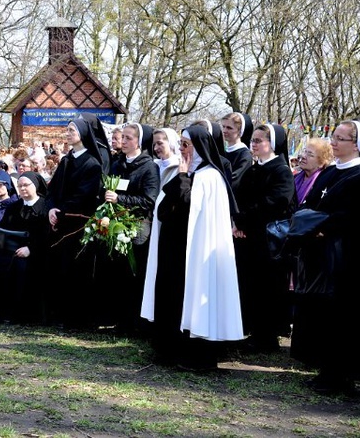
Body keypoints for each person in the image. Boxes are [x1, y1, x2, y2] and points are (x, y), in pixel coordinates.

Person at [292, 120, 360, 393]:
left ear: (356, 145)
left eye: (340, 139)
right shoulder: (331, 171)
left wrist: (323, 227)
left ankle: (340, 375)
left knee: (342, 316)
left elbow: (354, 217)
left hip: (346, 256)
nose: (333, 142)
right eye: (333, 136)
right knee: (322, 314)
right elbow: (311, 203)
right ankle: (325, 369)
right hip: (320, 252)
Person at [141, 125, 244, 370]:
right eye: (181, 144)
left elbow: (187, 207)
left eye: (186, 145)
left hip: (196, 252)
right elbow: (165, 210)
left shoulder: (210, 176)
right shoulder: (184, 172)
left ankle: (196, 355)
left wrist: (184, 177)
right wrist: (182, 176)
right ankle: (169, 349)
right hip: (174, 250)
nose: (182, 150)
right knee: (171, 296)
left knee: (193, 297)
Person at [233, 124, 296, 352]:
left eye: (259, 140)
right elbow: (240, 197)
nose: (254, 144)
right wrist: (238, 222)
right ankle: (253, 332)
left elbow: (276, 202)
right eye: (254, 140)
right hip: (250, 236)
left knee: (268, 290)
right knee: (252, 286)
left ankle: (266, 338)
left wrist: (243, 219)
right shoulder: (253, 169)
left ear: (273, 144)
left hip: (270, 241)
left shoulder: (281, 170)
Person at [46, 114, 109, 327]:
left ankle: (76, 319)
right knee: (59, 269)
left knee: (76, 271)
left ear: (82, 134)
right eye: (67, 130)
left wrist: (60, 212)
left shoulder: (92, 163)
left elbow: (84, 195)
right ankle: (60, 315)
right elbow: (53, 189)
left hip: (77, 224)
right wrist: (51, 208)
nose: (68, 134)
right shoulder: (65, 160)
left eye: (72, 130)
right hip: (60, 221)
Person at [102, 123, 160, 329]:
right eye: (122, 137)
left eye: (128, 138)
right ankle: (118, 319)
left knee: (133, 275)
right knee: (116, 274)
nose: (124, 141)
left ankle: (135, 322)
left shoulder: (149, 167)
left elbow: (149, 200)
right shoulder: (118, 163)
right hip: (116, 223)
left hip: (138, 226)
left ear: (139, 142)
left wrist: (121, 199)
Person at [0, 172, 49, 323]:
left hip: (36, 252)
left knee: (21, 266)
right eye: (19, 186)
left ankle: (19, 315)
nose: (22, 189)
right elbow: (1, 227)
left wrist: (31, 249)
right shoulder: (14, 207)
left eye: (26, 185)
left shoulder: (45, 207)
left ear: (36, 186)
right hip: (12, 250)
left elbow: (47, 235)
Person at [294, 138, 333, 208]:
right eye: (305, 152)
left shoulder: (323, 184)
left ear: (321, 162)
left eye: (310, 155)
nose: (303, 156)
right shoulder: (294, 177)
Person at [221, 112, 254, 191]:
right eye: (223, 126)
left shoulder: (245, 155)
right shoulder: (223, 151)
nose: (224, 130)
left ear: (240, 131)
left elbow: (234, 181)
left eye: (229, 128)